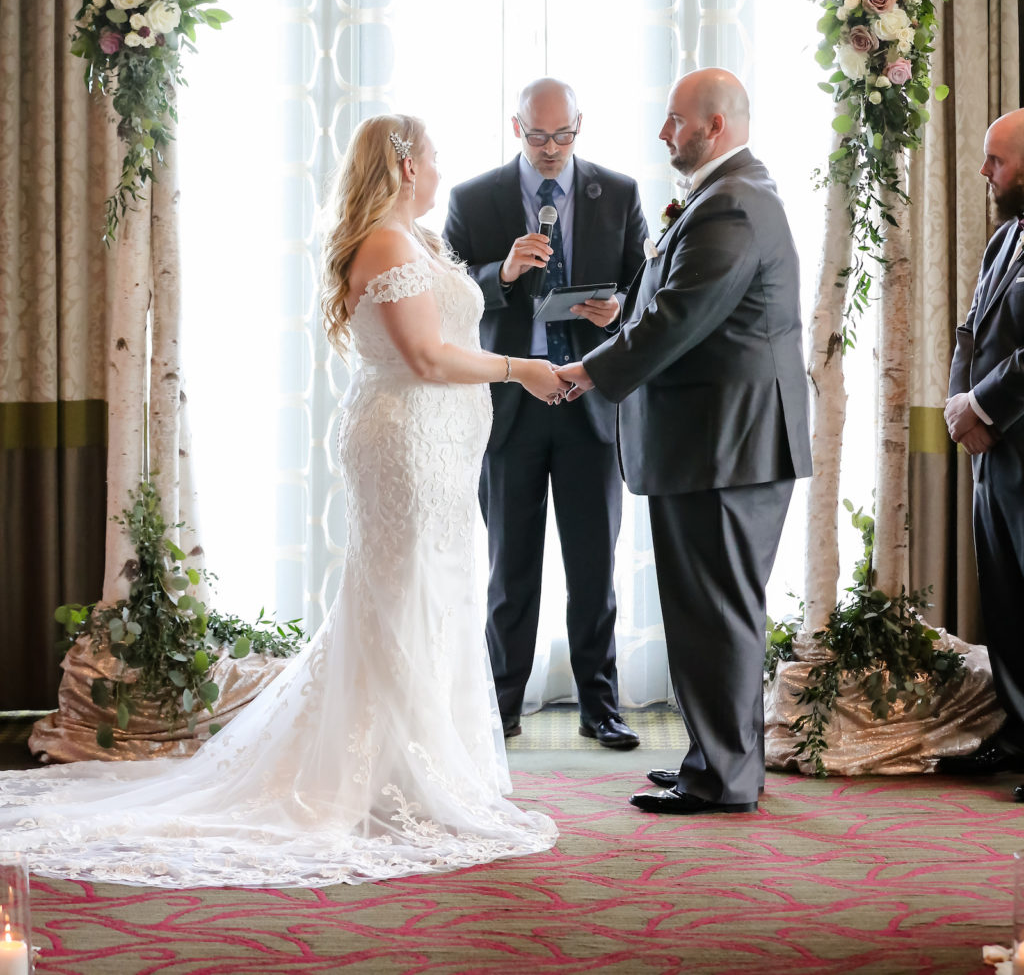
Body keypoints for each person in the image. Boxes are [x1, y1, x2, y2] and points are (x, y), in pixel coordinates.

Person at [0, 114, 561, 886]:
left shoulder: (423, 242)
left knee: (432, 592)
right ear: (403, 166)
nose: (440, 171)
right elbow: (426, 356)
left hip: (443, 449)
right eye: (433, 158)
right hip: (403, 444)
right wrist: (519, 368)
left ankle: (429, 759)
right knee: (402, 595)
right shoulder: (390, 245)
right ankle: (383, 772)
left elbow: (446, 323)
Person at [557, 68, 812, 814]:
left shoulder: (732, 203)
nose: (665, 133)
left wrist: (588, 371)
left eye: (676, 121)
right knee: (706, 611)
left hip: (727, 445)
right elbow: (672, 303)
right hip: (713, 444)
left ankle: (724, 778)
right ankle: (714, 759)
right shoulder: (725, 195)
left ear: (716, 126)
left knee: (719, 613)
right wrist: (624, 317)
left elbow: (681, 318)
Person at [444, 79, 649, 749]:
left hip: (590, 402)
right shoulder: (474, 200)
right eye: (539, 136)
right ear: (516, 128)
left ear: (580, 126)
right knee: (511, 569)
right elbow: (443, 299)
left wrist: (619, 309)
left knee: (595, 566)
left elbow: (647, 289)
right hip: (510, 407)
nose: (553, 149)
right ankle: (500, 705)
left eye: (565, 135)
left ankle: (602, 707)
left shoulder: (618, 193)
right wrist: (499, 275)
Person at [942, 106, 1024, 793]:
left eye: (995, 161)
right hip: (991, 457)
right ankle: (1017, 731)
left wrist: (985, 406)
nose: (984, 172)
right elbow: (970, 329)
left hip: (1019, 442)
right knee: (1004, 602)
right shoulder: (1005, 238)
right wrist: (956, 406)